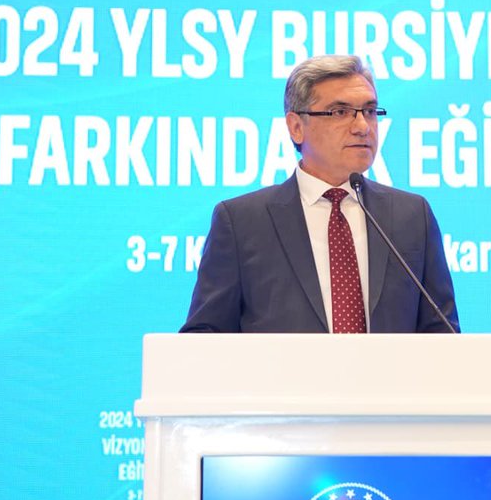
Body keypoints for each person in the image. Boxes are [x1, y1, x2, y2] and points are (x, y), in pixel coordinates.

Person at [181, 54, 459, 333]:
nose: (362, 126)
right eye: (340, 112)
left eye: (370, 111)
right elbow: (204, 338)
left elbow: (442, 335)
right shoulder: (241, 223)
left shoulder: (411, 216)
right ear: (296, 127)